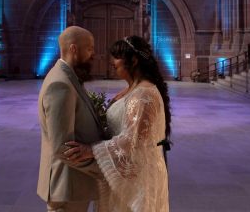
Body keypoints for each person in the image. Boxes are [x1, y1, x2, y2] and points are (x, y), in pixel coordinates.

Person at [64, 36, 171, 212]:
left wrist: (91, 150)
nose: (112, 61)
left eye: (116, 56)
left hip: (138, 178)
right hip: (127, 174)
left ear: (134, 61)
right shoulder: (132, 89)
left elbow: (132, 141)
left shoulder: (143, 94)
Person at [37, 26, 105, 212]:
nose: (94, 54)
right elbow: (63, 148)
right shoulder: (60, 84)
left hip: (73, 186)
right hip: (66, 188)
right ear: (74, 49)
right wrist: (104, 167)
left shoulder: (70, 76)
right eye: (89, 48)